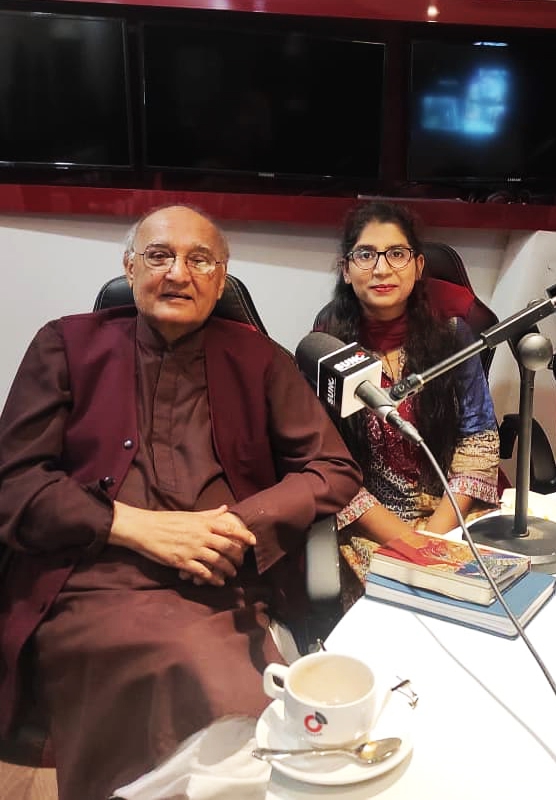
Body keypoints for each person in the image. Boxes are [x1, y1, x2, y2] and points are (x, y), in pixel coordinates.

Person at [0, 205, 361, 800]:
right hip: (95, 578)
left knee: (242, 717)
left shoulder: (259, 359)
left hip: (221, 579)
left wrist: (236, 524)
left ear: (221, 281)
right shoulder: (66, 345)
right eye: (159, 256)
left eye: (199, 260)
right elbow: (14, 483)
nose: (177, 273)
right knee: (179, 673)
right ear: (130, 268)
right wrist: (130, 525)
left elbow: (333, 469)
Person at [313, 201, 500, 586]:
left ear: (418, 266)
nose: (382, 269)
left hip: (454, 514)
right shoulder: (326, 351)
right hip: (372, 526)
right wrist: (408, 541)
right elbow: (327, 464)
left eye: (396, 254)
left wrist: (434, 535)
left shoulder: (453, 337)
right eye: (366, 255)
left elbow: (478, 440)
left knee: (489, 590)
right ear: (346, 270)